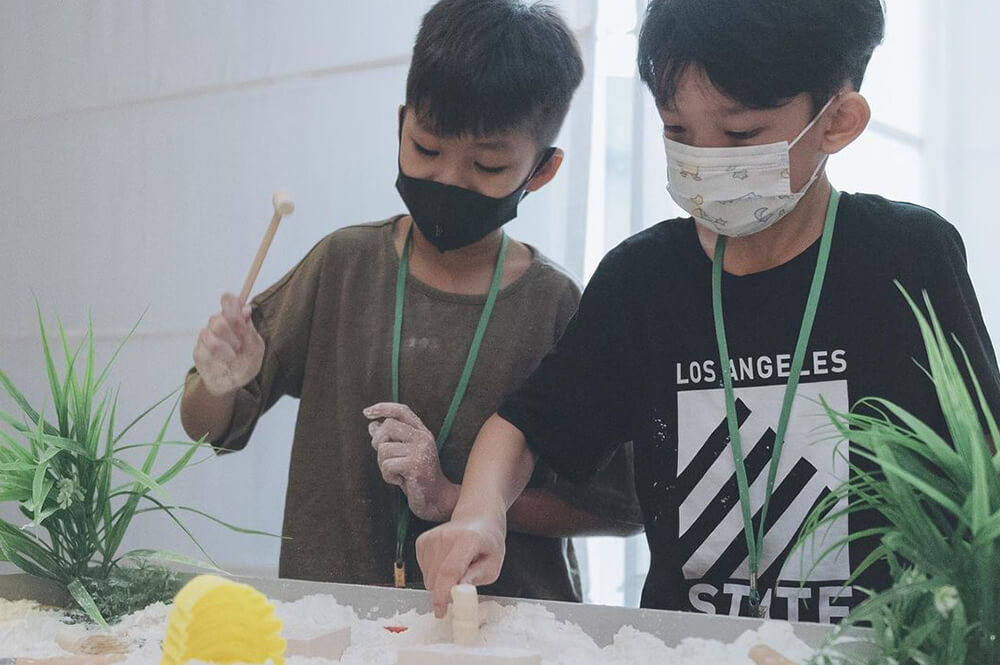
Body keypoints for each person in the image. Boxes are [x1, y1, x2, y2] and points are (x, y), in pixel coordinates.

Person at [416, 0, 1000, 623]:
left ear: (837, 121)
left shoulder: (904, 257)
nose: (704, 158)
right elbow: (527, 425)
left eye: (740, 135)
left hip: (876, 648)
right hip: (686, 645)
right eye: (677, 131)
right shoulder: (643, 279)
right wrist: (479, 515)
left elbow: (980, 467)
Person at [179, 0, 641, 603]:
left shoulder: (555, 304)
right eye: (426, 148)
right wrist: (219, 381)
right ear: (401, 125)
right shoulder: (343, 265)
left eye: (487, 165)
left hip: (504, 628)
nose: (448, 179)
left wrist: (454, 499)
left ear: (541, 171)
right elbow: (205, 427)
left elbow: (620, 507)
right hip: (338, 620)